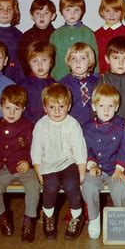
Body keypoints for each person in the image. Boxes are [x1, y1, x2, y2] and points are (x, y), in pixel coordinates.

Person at [30, 83, 87, 240]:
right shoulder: (41, 125)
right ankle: (48, 216)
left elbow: (79, 149)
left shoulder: (72, 124)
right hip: (48, 164)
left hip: (69, 163)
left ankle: (77, 216)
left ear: (68, 106)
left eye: (61, 106)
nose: (56, 111)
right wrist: (38, 170)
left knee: (71, 184)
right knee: (50, 186)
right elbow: (36, 149)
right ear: (45, 107)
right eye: (52, 107)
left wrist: (81, 172)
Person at [0, 85, 40, 243]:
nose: (11, 113)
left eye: (16, 109)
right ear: (0, 106)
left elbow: (34, 148)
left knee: (33, 186)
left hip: (22, 167)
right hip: (1, 168)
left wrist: (28, 162)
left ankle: (29, 220)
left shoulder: (27, 126)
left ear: (23, 109)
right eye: (7, 108)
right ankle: (2, 216)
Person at [81, 84, 125, 239]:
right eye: (101, 106)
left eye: (110, 106)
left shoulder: (122, 125)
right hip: (97, 168)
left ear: (116, 107)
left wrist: (119, 169)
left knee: (120, 189)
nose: (106, 110)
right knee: (88, 186)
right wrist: (92, 164)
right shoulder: (87, 127)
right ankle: (94, 219)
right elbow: (87, 148)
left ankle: (121, 220)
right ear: (94, 106)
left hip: (116, 169)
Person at [50, 0, 98, 79]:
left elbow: (94, 56)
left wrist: (95, 75)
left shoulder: (88, 33)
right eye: (68, 10)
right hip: (60, 77)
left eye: (76, 10)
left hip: (83, 78)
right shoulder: (56, 34)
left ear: (82, 11)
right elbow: (51, 58)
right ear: (61, 12)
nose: (72, 14)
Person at [98, 36, 125, 119]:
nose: (121, 63)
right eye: (116, 58)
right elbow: (96, 108)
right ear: (107, 59)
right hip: (111, 126)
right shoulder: (103, 81)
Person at [94, 0, 125, 74]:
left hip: (123, 78)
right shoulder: (95, 35)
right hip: (101, 78)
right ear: (102, 12)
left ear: (122, 12)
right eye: (107, 11)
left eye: (116, 11)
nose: (111, 14)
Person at [60, 42, 98, 126]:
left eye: (83, 58)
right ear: (69, 62)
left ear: (89, 62)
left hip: (92, 126)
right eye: (73, 58)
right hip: (70, 125)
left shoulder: (97, 83)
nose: (78, 62)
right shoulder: (63, 84)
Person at [18, 42, 56, 124]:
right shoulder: (23, 85)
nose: (40, 64)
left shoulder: (55, 85)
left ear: (51, 62)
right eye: (35, 61)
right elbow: (20, 107)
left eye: (44, 60)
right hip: (29, 125)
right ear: (29, 63)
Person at [17, 0, 56, 76]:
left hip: (52, 78)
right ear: (32, 16)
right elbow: (22, 60)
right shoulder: (26, 36)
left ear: (53, 16)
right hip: (31, 77)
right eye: (38, 13)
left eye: (46, 13)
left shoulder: (57, 35)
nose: (42, 16)